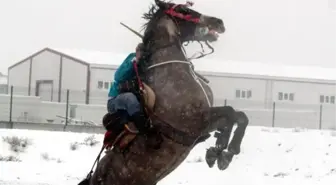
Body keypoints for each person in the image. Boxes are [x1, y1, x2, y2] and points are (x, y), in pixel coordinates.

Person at [107, 43, 149, 134]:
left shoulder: (147, 65)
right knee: (130, 98)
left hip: (134, 102)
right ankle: (144, 130)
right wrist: (135, 61)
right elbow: (118, 76)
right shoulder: (132, 59)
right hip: (115, 101)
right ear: (137, 51)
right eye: (141, 52)